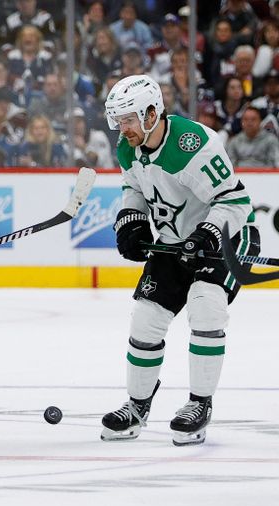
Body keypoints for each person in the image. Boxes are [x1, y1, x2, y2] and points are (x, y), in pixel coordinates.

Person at [102, 74, 259, 446]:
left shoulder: (194, 143)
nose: (122, 129)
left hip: (225, 237)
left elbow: (235, 203)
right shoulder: (129, 147)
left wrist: (206, 233)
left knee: (206, 306)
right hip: (175, 242)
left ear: (152, 113)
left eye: (128, 119)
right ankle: (137, 405)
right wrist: (132, 220)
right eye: (118, 120)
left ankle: (199, 404)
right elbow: (134, 188)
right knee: (145, 318)